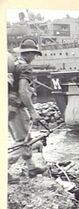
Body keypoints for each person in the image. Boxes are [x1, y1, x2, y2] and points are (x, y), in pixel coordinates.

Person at [8, 39, 45, 180]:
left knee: (25, 138)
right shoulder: (25, 68)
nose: (34, 58)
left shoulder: (15, 65)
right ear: (28, 53)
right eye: (34, 54)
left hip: (9, 108)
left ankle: (32, 167)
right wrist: (33, 111)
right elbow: (23, 92)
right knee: (22, 141)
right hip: (17, 108)